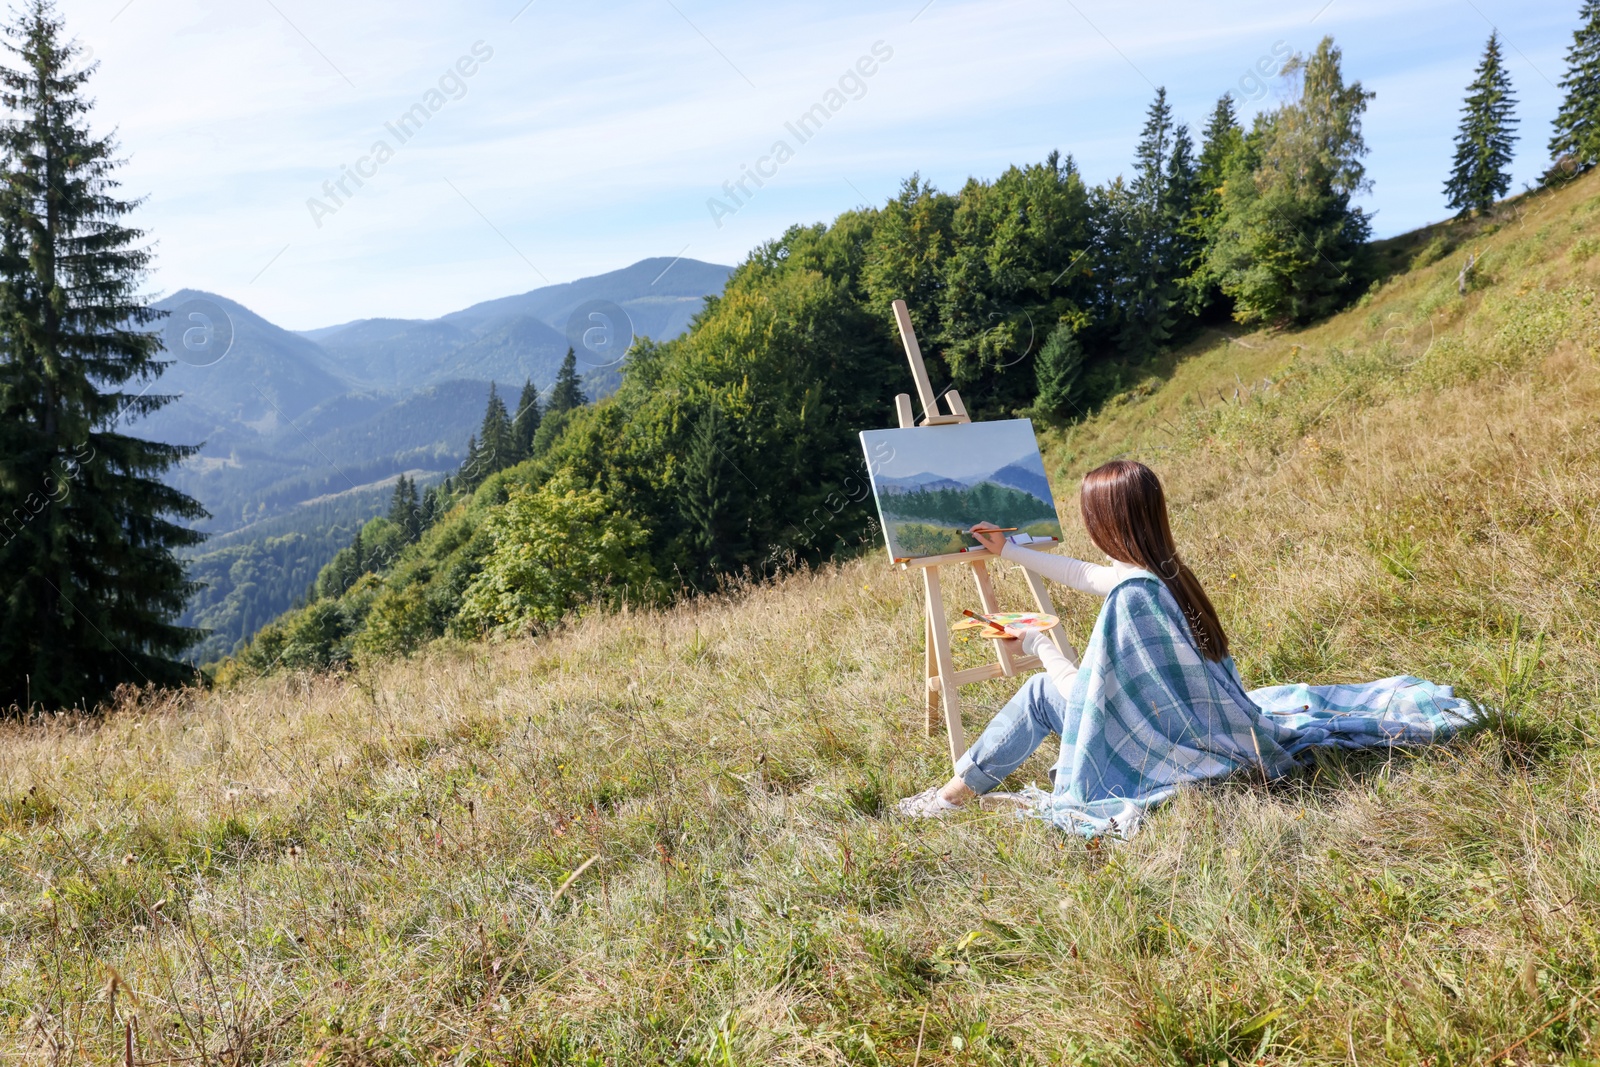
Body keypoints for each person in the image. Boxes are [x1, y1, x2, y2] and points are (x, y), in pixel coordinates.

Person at [896, 459, 1479, 836]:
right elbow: (1090, 575)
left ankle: (951, 796)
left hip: (1170, 740)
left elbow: (1091, 697)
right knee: (1043, 688)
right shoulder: (1162, 572)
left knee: (1041, 691)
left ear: (1107, 521)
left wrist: (1041, 644)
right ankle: (956, 790)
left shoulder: (1134, 601)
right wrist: (1011, 550)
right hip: (1207, 723)